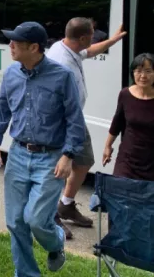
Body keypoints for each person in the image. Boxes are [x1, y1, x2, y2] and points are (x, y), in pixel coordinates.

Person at [0, 22, 85, 277]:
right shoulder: (11, 74)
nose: (10, 46)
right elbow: (3, 108)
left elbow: (75, 119)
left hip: (51, 158)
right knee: (16, 222)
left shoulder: (62, 76)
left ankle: (57, 242)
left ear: (34, 47)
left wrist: (68, 155)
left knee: (36, 220)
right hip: (18, 154)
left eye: (15, 42)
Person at [46, 18, 125, 237]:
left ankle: (66, 204)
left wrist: (113, 40)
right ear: (82, 37)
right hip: (63, 122)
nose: (94, 37)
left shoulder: (69, 48)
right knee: (59, 169)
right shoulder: (61, 62)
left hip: (75, 118)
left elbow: (89, 52)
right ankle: (50, 216)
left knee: (84, 161)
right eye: (92, 34)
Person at [103, 53, 154, 181]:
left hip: (151, 161)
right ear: (133, 73)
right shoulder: (125, 94)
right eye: (139, 71)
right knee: (121, 194)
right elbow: (117, 123)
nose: (143, 76)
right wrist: (108, 146)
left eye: (148, 71)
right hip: (127, 159)